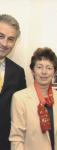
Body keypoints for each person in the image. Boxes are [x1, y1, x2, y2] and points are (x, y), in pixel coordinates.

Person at [9, 47, 57, 150]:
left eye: (49, 68)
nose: (44, 72)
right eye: (39, 67)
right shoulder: (19, 98)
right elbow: (17, 138)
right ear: (33, 70)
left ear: (54, 72)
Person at [0, 14, 26, 150]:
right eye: (1, 36)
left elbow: (20, 115)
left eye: (10, 39)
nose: (4, 43)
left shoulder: (18, 73)